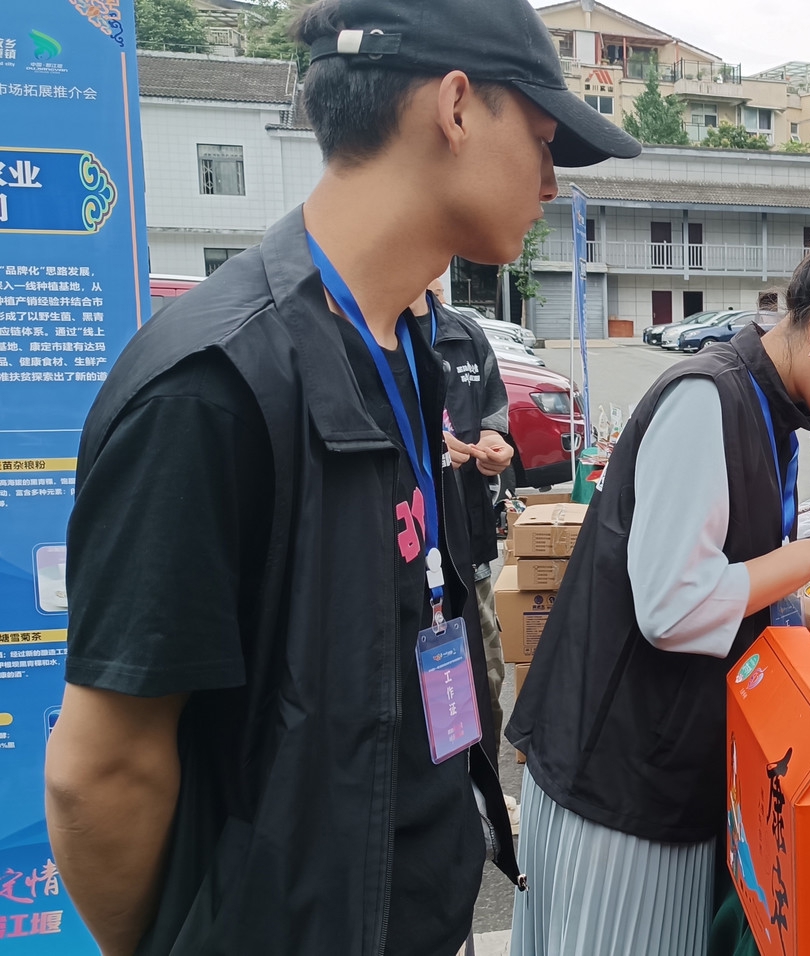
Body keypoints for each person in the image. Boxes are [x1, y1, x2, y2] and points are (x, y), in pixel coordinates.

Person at [41, 1, 641, 953]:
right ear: (454, 108)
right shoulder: (212, 385)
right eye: (541, 137)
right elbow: (101, 772)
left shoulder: (411, 344)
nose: (552, 178)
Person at [504, 194, 810, 956]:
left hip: (660, 760)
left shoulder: (765, 407)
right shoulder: (706, 398)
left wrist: (800, 602)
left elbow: (728, 566)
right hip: (621, 774)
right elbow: (672, 607)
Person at [415, 278, 516, 733]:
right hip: (409, 561)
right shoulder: (370, 333)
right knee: (424, 709)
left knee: (482, 689)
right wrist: (427, 446)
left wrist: (495, 442)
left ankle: (486, 798)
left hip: (471, 556)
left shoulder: (465, 335)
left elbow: (494, 413)